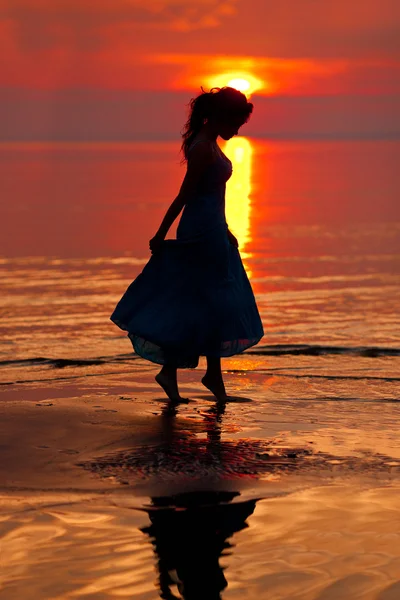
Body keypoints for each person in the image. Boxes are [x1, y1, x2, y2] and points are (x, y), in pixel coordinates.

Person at [110, 86, 264, 403]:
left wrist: (226, 230)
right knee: (205, 303)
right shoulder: (202, 149)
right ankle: (203, 377)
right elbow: (186, 195)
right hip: (200, 235)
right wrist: (160, 232)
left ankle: (202, 375)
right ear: (221, 117)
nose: (236, 131)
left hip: (214, 233)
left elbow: (213, 199)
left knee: (209, 304)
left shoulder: (210, 146)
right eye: (235, 123)